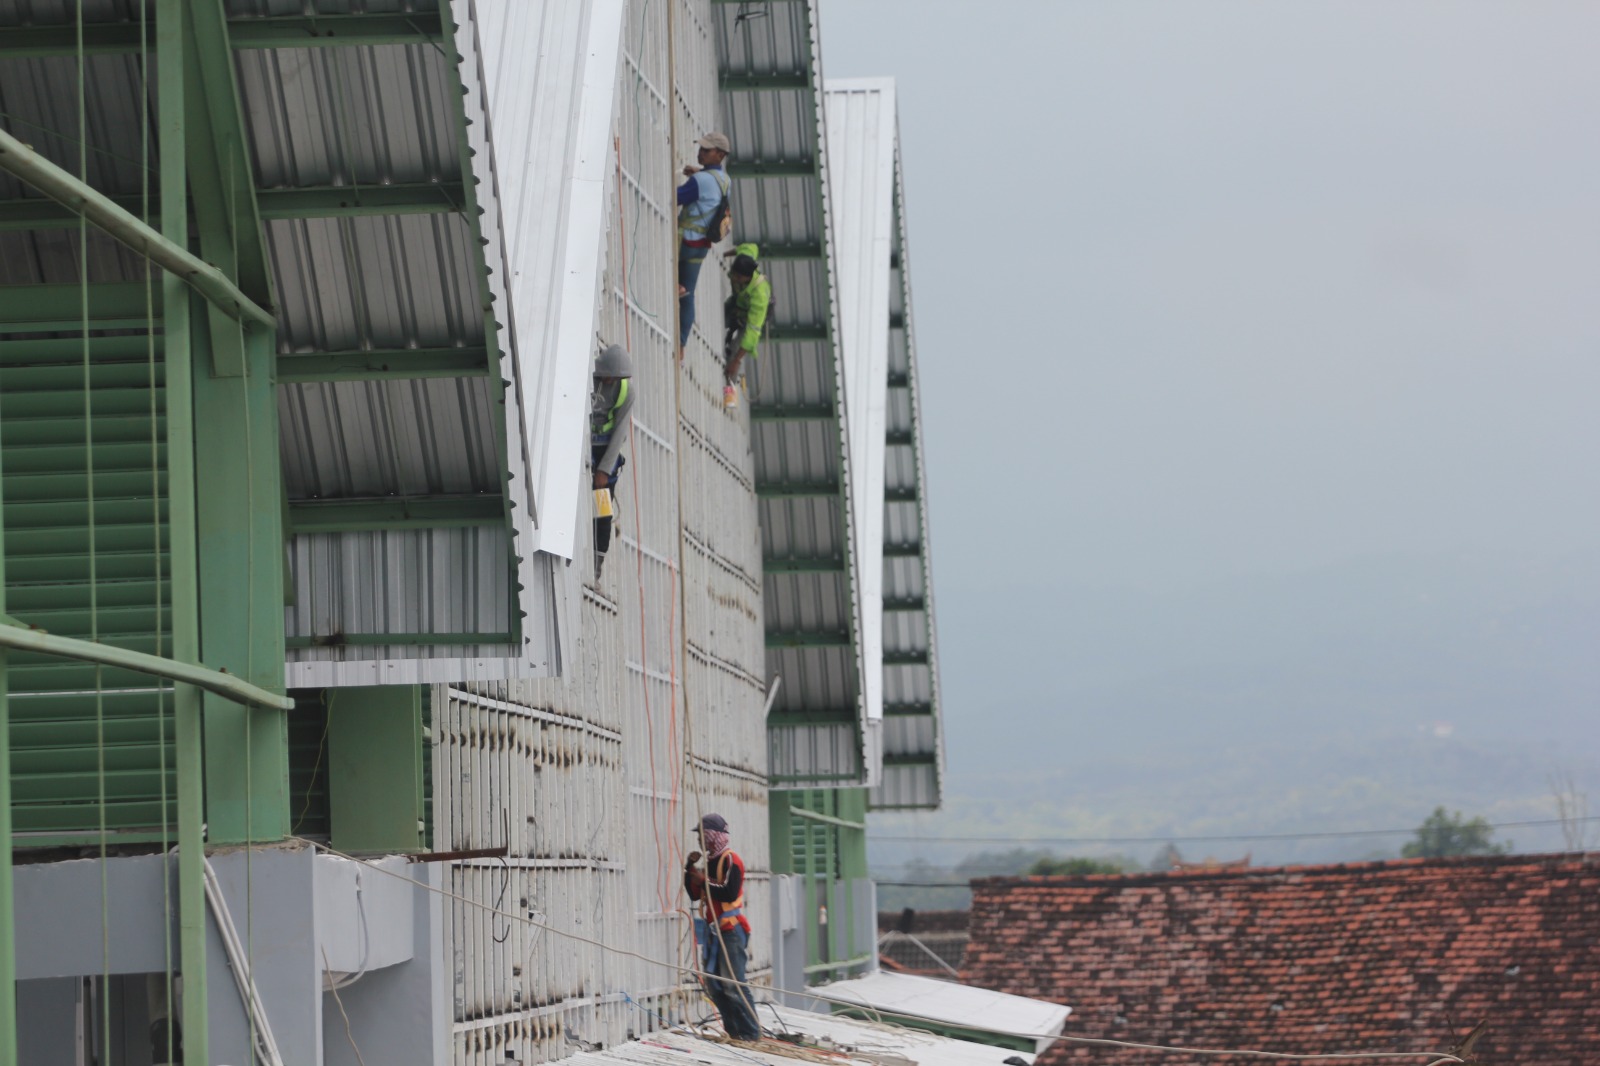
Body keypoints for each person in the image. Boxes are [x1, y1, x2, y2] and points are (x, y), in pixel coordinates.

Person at [683, 813, 761, 1042]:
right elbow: (694, 894)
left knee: (733, 984)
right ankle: (733, 1031)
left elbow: (729, 891)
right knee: (714, 986)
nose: (699, 840)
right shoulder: (708, 864)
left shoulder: (730, 860)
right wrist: (690, 868)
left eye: (702, 836)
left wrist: (701, 880)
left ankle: (750, 1032)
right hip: (713, 932)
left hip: (731, 930)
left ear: (712, 836)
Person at [677, 132, 732, 356]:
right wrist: (699, 173)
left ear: (719, 154)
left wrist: (695, 177)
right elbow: (711, 187)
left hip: (686, 240)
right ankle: (681, 345)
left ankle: (675, 288)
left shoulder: (700, 181)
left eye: (706, 150)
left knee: (680, 288)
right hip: (702, 245)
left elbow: (677, 196)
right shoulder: (724, 180)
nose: (700, 152)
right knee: (688, 293)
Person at [590, 343, 634, 577]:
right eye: (608, 378)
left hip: (606, 451)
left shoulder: (626, 391)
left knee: (602, 506)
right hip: (586, 445)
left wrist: (604, 470)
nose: (610, 382)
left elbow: (619, 434)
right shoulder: (590, 377)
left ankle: (598, 560)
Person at [720, 243, 770, 409]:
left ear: (747, 278)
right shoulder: (746, 258)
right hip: (736, 306)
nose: (734, 278)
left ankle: (730, 393)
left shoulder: (759, 294)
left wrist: (736, 360)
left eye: (738, 277)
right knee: (722, 318)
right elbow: (749, 247)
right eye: (733, 274)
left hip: (749, 320)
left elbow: (752, 334)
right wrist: (727, 253)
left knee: (734, 352)